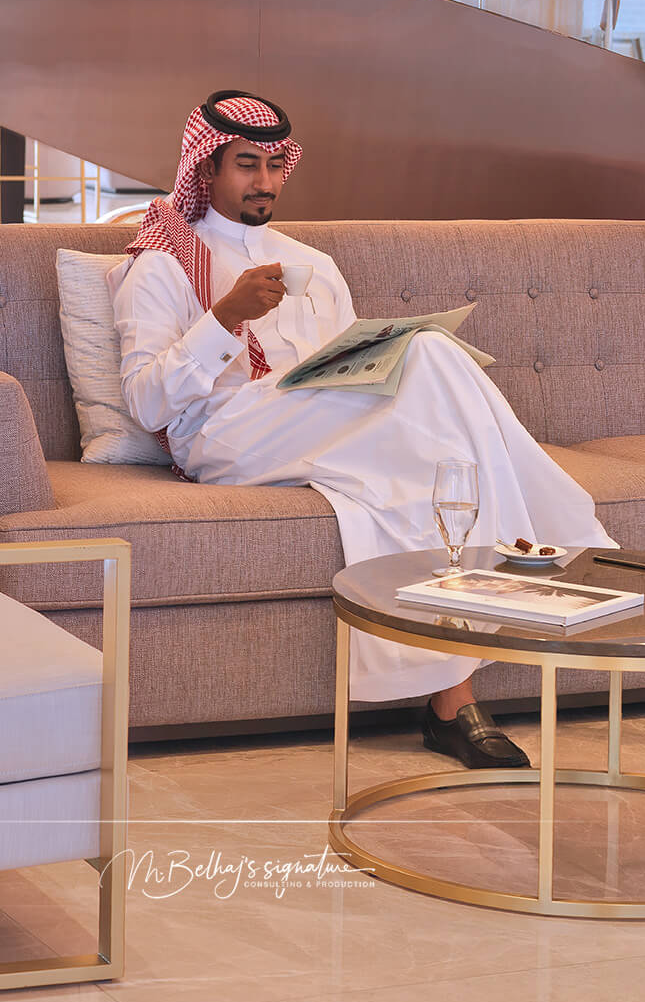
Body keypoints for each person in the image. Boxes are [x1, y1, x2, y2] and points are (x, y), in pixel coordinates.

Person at [108, 91, 616, 770]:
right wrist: (224, 318)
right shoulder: (161, 263)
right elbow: (146, 404)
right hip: (224, 437)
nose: (264, 181)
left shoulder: (312, 264)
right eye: (246, 165)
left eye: (275, 165)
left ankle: (452, 702)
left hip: (322, 423)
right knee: (429, 355)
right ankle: (566, 530)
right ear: (206, 169)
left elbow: (350, 372)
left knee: (431, 450)